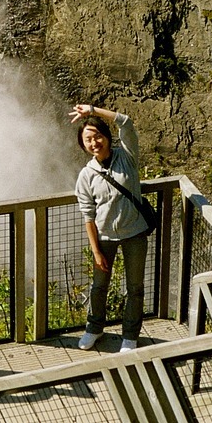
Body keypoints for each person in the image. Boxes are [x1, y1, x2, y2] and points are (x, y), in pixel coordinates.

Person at [69, 104, 149, 353]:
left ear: (107, 136)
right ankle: (94, 329)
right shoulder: (86, 175)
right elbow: (88, 215)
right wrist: (96, 250)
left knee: (134, 287)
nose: (94, 143)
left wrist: (93, 110)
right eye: (88, 140)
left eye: (97, 136)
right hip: (104, 237)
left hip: (134, 233)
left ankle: (130, 336)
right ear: (83, 146)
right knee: (98, 286)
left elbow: (126, 121)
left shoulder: (127, 155)